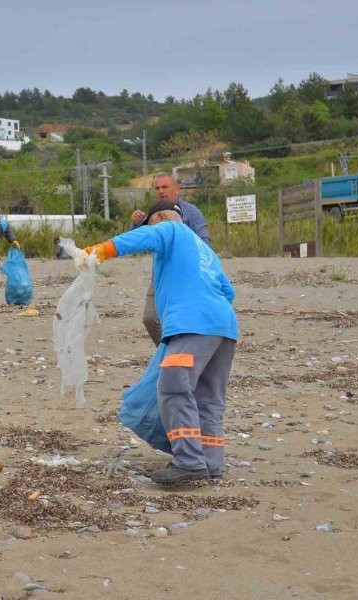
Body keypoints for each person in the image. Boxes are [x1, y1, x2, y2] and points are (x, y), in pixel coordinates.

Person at [85, 199, 237, 484]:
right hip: (224, 329)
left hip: (192, 325)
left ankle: (190, 463)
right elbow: (228, 290)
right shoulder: (204, 250)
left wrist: (103, 250)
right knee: (209, 397)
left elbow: (146, 237)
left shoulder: (171, 230)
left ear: (164, 216)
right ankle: (210, 462)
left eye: (151, 222)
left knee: (174, 387)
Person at [131, 173, 211, 345]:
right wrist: (136, 224)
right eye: (157, 188)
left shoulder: (192, 213)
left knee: (183, 323)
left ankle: (179, 358)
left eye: (165, 187)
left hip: (187, 279)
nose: (160, 191)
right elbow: (136, 242)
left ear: (177, 189)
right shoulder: (154, 214)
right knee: (150, 318)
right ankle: (169, 353)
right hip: (160, 277)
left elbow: (206, 244)